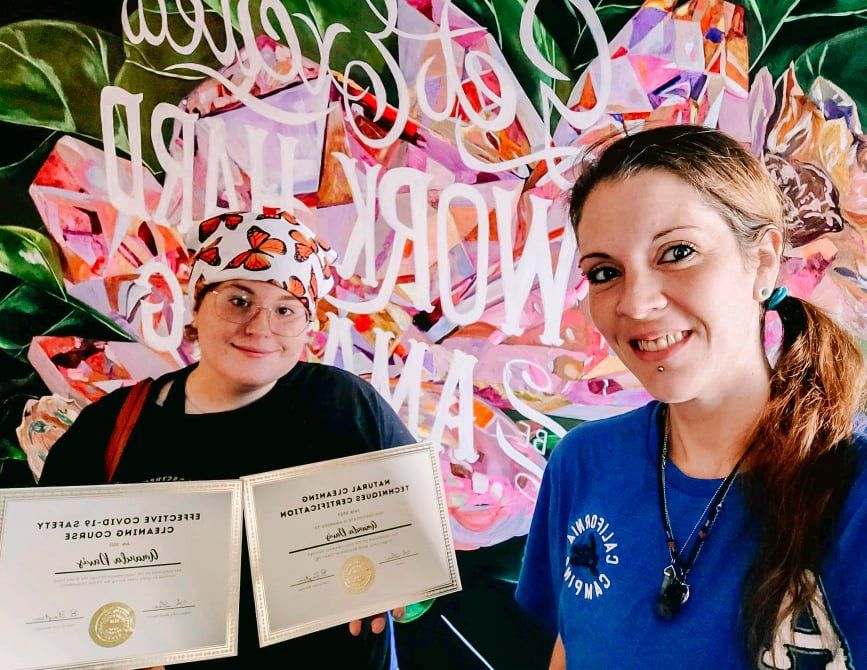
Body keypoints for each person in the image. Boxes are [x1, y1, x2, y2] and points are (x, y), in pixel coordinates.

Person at [515, 126, 867, 669]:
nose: (636, 303)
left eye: (677, 252)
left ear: (763, 261)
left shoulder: (853, 485)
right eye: (605, 272)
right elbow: (572, 646)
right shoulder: (582, 464)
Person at [40, 209, 414, 669]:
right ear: (197, 305)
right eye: (238, 301)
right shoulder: (112, 426)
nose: (259, 328)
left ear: (308, 325)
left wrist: (398, 579)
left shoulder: (346, 404)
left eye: (285, 310)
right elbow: (49, 583)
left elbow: (419, 564)